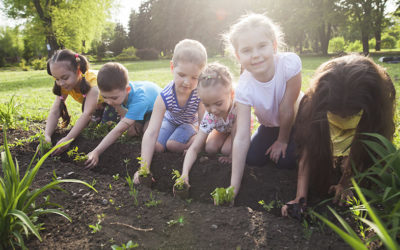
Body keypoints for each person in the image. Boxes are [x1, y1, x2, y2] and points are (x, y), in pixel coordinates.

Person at [281, 54, 396, 217]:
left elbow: (365, 144)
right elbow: (307, 146)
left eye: (350, 115)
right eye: (336, 114)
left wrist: (346, 183)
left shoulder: (377, 102)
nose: (343, 119)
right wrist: (300, 197)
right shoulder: (314, 103)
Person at [224, 13, 303, 199]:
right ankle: (274, 144)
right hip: (269, 125)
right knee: (252, 158)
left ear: (274, 45)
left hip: (295, 122)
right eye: (247, 50)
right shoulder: (244, 87)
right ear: (238, 56)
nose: (256, 55)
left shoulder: (289, 64)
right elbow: (242, 135)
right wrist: (233, 186)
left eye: (262, 46)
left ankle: (287, 146)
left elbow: (286, 107)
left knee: (286, 161)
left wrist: (282, 140)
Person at [134, 39, 207, 183]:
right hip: (170, 120)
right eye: (182, 75)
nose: (187, 82)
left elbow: (204, 125)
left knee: (172, 145)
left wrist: (196, 145)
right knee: (156, 147)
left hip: (190, 124)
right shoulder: (164, 96)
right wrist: (143, 168)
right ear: (172, 67)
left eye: (194, 77)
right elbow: (151, 131)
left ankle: (189, 145)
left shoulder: (200, 94)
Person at [85, 62, 162, 168]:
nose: (109, 102)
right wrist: (117, 104)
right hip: (144, 107)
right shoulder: (119, 93)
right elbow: (123, 116)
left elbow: (119, 130)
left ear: (127, 90)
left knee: (147, 133)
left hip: (158, 109)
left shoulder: (139, 101)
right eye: (105, 97)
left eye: (114, 98)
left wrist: (96, 151)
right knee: (131, 132)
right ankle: (139, 123)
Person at [181, 63, 236, 186]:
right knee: (210, 148)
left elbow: (240, 136)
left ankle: (229, 146)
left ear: (231, 94)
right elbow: (194, 148)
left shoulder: (238, 107)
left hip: (236, 131)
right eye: (207, 105)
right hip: (222, 129)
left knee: (227, 149)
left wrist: (232, 157)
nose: (214, 110)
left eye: (218, 103)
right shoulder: (210, 116)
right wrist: (184, 174)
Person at [45, 49, 103, 155]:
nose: (61, 83)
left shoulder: (92, 83)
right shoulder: (63, 84)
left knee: (105, 129)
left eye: (65, 78)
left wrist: (68, 138)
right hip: (97, 108)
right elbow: (55, 110)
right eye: (56, 79)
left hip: (117, 104)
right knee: (88, 128)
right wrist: (47, 135)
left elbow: (87, 113)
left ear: (78, 70)